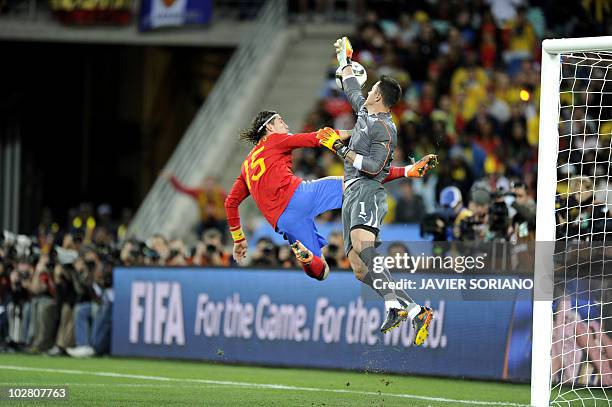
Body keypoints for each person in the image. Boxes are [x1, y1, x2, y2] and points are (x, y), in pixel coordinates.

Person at [224, 111, 436, 282]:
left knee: (321, 271)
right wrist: (358, 131)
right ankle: (409, 171)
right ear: (269, 128)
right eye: (281, 121)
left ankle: (306, 259)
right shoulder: (276, 139)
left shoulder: (246, 166)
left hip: (284, 220)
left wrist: (239, 239)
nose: (286, 126)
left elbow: (230, 203)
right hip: (301, 195)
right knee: (358, 179)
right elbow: (319, 138)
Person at [316, 36, 433, 341]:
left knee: (363, 246)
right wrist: (344, 59)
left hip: (367, 190)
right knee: (357, 267)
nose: (367, 92)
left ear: (379, 97)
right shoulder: (366, 114)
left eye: (373, 90)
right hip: (352, 191)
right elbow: (352, 88)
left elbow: (373, 168)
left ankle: (394, 306)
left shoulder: (384, 129)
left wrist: (339, 149)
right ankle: (416, 310)